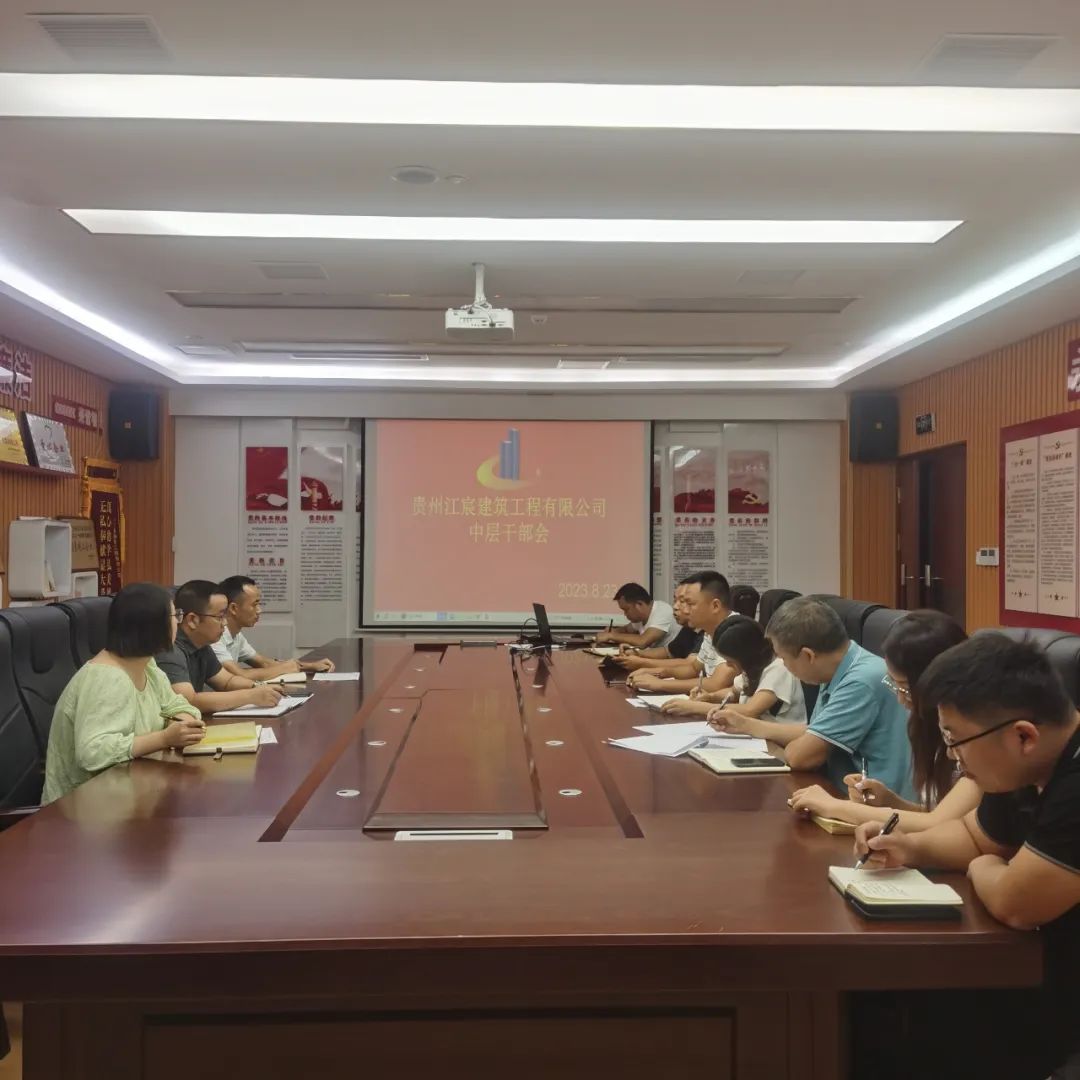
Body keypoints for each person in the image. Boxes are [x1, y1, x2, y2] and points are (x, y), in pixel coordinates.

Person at [854, 634, 1080, 1079]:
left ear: (1023, 736)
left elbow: (1017, 903)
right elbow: (976, 837)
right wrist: (911, 847)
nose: (953, 757)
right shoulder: (1023, 766)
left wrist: (986, 867)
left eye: (955, 739)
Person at [788, 610, 979, 830]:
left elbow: (939, 824)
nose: (900, 699)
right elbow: (940, 815)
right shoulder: (928, 726)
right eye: (893, 685)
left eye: (905, 688)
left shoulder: (977, 738)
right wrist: (890, 802)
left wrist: (833, 806)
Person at [721, 596, 914, 800]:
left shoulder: (861, 681)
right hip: (847, 793)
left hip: (877, 805)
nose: (784, 666)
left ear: (808, 655)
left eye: (783, 658)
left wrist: (783, 748)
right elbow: (815, 730)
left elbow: (801, 757)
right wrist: (746, 725)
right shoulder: (839, 666)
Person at [42, 583, 207, 804]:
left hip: (130, 793)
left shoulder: (146, 665)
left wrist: (184, 725)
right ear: (150, 625)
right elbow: (92, 753)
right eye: (174, 615)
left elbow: (177, 704)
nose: (178, 621)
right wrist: (164, 738)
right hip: (80, 809)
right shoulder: (106, 678)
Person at [156, 580, 286, 714]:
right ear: (193, 620)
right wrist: (250, 696)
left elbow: (227, 681)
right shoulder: (169, 650)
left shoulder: (201, 644)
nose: (225, 623)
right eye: (220, 616)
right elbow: (188, 700)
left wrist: (258, 687)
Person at [626, 571, 739, 707]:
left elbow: (717, 684)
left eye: (689, 603)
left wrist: (660, 684)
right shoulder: (711, 630)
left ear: (715, 606)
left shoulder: (735, 632)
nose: (682, 610)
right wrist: (657, 673)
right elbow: (693, 668)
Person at [684, 617, 807, 725]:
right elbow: (734, 691)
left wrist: (697, 707)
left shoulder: (779, 668)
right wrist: (710, 697)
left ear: (746, 655)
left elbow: (750, 710)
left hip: (780, 738)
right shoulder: (753, 667)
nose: (727, 665)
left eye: (731, 661)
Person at [214, 575, 335, 679]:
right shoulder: (215, 636)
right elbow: (237, 675)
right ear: (234, 608)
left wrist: (311, 666)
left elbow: (264, 663)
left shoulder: (236, 635)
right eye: (254, 605)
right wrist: (283, 669)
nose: (259, 610)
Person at [609, 581, 703, 672]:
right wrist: (637, 653)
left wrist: (642, 663)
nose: (675, 607)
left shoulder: (707, 633)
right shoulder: (689, 628)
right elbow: (668, 652)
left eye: (683, 602)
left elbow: (690, 665)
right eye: (675, 601)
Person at [593, 583, 677, 649]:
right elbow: (626, 629)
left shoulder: (663, 611)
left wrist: (611, 636)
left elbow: (642, 641)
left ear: (639, 604)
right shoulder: (640, 618)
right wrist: (614, 631)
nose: (625, 614)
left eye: (626, 609)